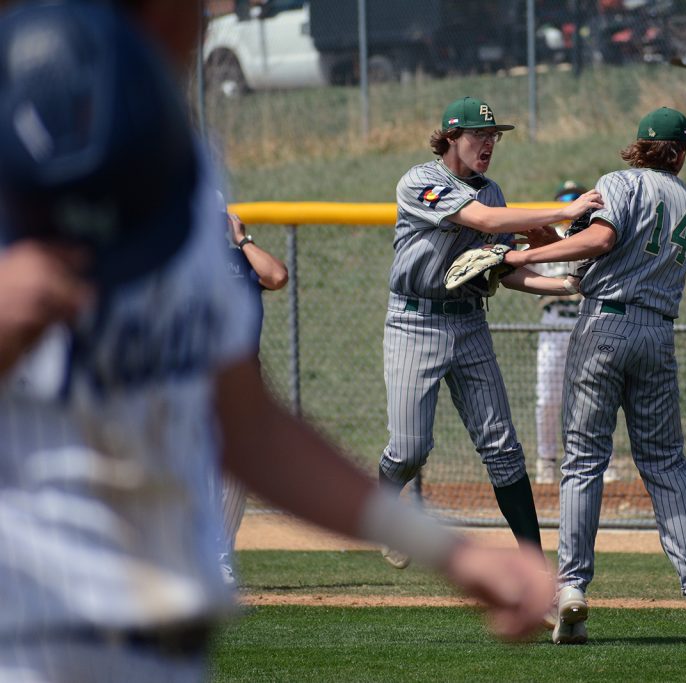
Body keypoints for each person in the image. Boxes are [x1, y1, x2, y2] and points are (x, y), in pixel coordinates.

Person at [0, 4, 553, 682]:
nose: (184, 28)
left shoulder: (193, 183)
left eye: (189, 11)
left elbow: (250, 426)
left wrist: (452, 553)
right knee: (408, 444)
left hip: (163, 649)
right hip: (25, 640)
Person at [502, 107, 686, 644]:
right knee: (665, 463)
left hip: (605, 326)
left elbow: (598, 243)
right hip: (657, 332)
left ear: (638, 146)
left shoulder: (618, 181)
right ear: (680, 152)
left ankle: (571, 587)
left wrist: (526, 253)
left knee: (584, 460)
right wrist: (546, 247)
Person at [377, 96, 603, 569]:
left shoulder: (493, 190)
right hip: (414, 322)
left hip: (469, 321)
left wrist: (563, 286)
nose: (488, 144)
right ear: (451, 138)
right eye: (479, 136)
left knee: (503, 448)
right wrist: (563, 212)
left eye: (494, 137)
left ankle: (536, 573)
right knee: (409, 449)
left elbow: (501, 268)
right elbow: (481, 220)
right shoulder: (419, 181)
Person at [534, 181, 622, 486]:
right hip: (555, 323)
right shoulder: (549, 238)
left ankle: (600, 459)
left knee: (595, 394)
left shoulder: (596, 237)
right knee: (547, 397)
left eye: (575, 200)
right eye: (565, 201)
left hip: (587, 322)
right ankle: (546, 459)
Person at [218, 209, 289, 585]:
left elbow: (277, 276)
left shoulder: (238, 261)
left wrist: (242, 240)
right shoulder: (177, 259)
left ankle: (219, 558)